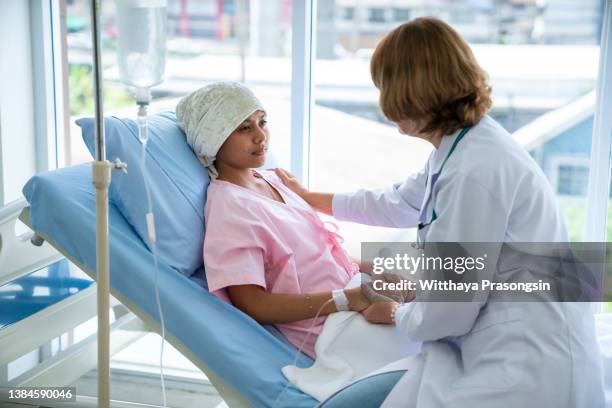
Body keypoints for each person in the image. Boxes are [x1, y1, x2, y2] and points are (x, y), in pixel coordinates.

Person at [276, 17, 604, 408]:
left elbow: (451, 308)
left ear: (404, 95)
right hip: (505, 337)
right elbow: (399, 202)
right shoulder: (464, 145)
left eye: (384, 87)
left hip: (528, 362)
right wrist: (309, 197)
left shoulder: (475, 170)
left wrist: (395, 312)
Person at [175, 82, 408, 360]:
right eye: (244, 128)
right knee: (433, 350)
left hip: (356, 292)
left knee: (454, 293)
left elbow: (316, 256)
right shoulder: (230, 209)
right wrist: (351, 299)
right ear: (213, 139)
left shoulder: (273, 180)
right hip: (332, 329)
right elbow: (253, 305)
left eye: (262, 122)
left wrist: (372, 271)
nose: (261, 136)